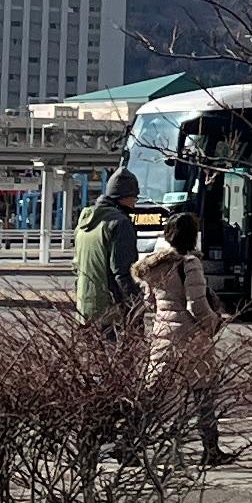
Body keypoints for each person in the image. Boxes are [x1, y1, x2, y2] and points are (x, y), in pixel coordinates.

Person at [133, 196, 226, 462]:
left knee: (153, 392)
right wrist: (213, 323)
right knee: (203, 391)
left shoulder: (154, 265)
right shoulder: (190, 264)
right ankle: (211, 449)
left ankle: (131, 442)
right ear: (192, 237)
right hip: (191, 337)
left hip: (163, 334)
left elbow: (150, 301)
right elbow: (196, 305)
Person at [73, 166, 143, 333]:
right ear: (124, 197)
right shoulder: (120, 223)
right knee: (119, 358)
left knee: (91, 358)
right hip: (111, 311)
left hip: (85, 308)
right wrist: (136, 307)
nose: (135, 203)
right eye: (134, 197)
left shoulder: (84, 223)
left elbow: (76, 267)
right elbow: (122, 272)